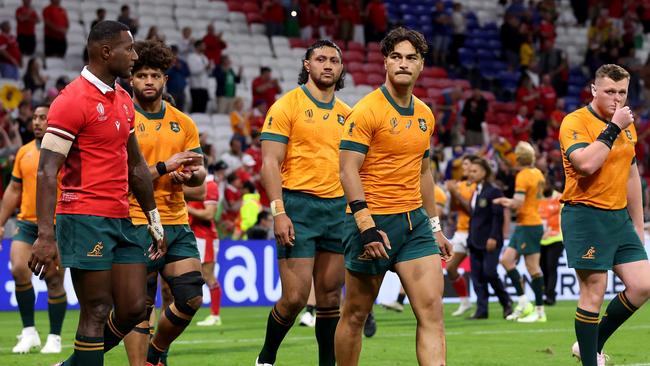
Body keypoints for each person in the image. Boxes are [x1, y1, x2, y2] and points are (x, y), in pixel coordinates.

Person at [29, 21, 165, 366]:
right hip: (84, 216)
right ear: (106, 52)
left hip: (122, 217)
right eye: (129, 49)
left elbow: (136, 165)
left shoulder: (122, 98)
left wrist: (153, 217)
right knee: (96, 309)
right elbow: (46, 171)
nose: (134, 56)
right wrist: (45, 234)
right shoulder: (70, 101)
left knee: (136, 307)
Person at [335, 27, 452, 365]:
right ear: (385, 62)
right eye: (396, 57)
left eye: (411, 58)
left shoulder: (425, 114)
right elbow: (347, 170)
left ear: (421, 65)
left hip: (414, 224)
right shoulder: (367, 111)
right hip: (372, 222)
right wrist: (366, 225)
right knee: (355, 315)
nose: (403, 63)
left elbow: (424, 172)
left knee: (432, 313)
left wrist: (434, 226)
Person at [256, 39, 351, 366]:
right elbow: (269, 164)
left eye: (334, 61)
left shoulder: (348, 115)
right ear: (307, 65)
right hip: (297, 207)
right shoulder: (287, 106)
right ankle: (267, 357)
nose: (328, 65)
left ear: (341, 68)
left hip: (337, 210)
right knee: (295, 298)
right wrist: (278, 211)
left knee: (328, 297)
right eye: (321, 59)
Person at [120, 39, 206, 366]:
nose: (149, 82)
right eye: (142, 75)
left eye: (155, 75)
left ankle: (155, 353)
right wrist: (163, 168)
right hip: (134, 221)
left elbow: (199, 175)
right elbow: (120, 175)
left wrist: (189, 176)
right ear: (132, 79)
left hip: (175, 220)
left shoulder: (184, 123)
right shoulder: (123, 119)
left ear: (165, 80)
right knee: (138, 306)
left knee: (191, 296)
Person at [559, 64, 650, 366]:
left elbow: (631, 175)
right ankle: (589, 360)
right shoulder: (575, 121)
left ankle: (589, 345)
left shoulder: (626, 124)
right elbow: (586, 164)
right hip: (585, 215)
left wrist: (638, 223)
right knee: (593, 292)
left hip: (618, 217)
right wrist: (613, 126)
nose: (616, 98)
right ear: (594, 89)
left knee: (643, 285)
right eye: (610, 91)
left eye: (622, 92)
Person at [0, 104, 67, 354]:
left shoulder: (65, 152)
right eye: (36, 118)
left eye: (44, 118)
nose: (37, 122)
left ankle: (54, 336)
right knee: (18, 269)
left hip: (58, 225)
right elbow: (13, 190)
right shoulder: (23, 152)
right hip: (27, 223)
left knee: (53, 279)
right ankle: (29, 332)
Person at [494, 141, 547, 323]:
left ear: (518, 158)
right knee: (506, 260)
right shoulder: (538, 173)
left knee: (532, 267)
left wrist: (503, 201)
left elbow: (518, 203)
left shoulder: (523, 175)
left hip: (529, 224)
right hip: (527, 223)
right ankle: (524, 302)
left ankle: (539, 312)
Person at [466, 157, 513, 320]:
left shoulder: (493, 191)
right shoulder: (475, 192)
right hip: (474, 241)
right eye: (470, 171)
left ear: (484, 173)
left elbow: (497, 216)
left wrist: (493, 236)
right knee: (477, 276)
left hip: (490, 240)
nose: (471, 174)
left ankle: (506, 302)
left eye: (474, 171)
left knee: (490, 273)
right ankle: (482, 309)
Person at [442, 154, 476, 316]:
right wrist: (451, 192)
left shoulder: (478, 186)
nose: (465, 168)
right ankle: (465, 302)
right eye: (463, 166)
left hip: (476, 233)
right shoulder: (461, 185)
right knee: (450, 267)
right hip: (461, 232)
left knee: (484, 272)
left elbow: (470, 209)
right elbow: (455, 208)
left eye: (467, 165)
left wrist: (455, 192)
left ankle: (507, 301)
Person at [190, 173, 223, 327]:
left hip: (205, 237)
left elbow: (209, 214)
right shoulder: (192, 184)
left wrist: (187, 208)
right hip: (193, 235)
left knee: (208, 276)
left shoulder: (210, 185)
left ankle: (215, 315)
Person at [539, 183, 563, 306]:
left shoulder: (560, 198)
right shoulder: (538, 198)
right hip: (540, 239)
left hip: (556, 238)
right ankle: (548, 293)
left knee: (551, 266)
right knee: (543, 267)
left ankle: (550, 296)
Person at [187, 40, 211, 113]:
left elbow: (208, 73)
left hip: (204, 86)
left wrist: (210, 68)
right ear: (197, 46)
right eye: (202, 45)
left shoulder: (205, 57)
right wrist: (205, 67)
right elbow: (193, 70)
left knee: (203, 108)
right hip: (196, 86)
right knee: (196, 108)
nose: (204, 47)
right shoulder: (191, 57)